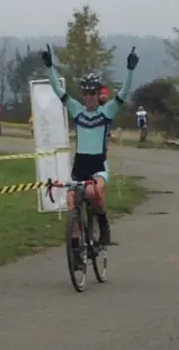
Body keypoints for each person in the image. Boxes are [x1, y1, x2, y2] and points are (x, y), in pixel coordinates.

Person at [42, 43, 139, 252]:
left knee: (94, 192)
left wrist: (130, 71)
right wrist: (50, 67)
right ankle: (76, 248)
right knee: (71, 200)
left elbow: (123, 92)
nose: (87, 97)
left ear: (98, 94)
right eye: (85, 93)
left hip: (98, 165)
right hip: (80, 165)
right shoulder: (77, 110)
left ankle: (103, 225)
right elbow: (59, 91)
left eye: (91, 93)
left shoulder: (107, 112)